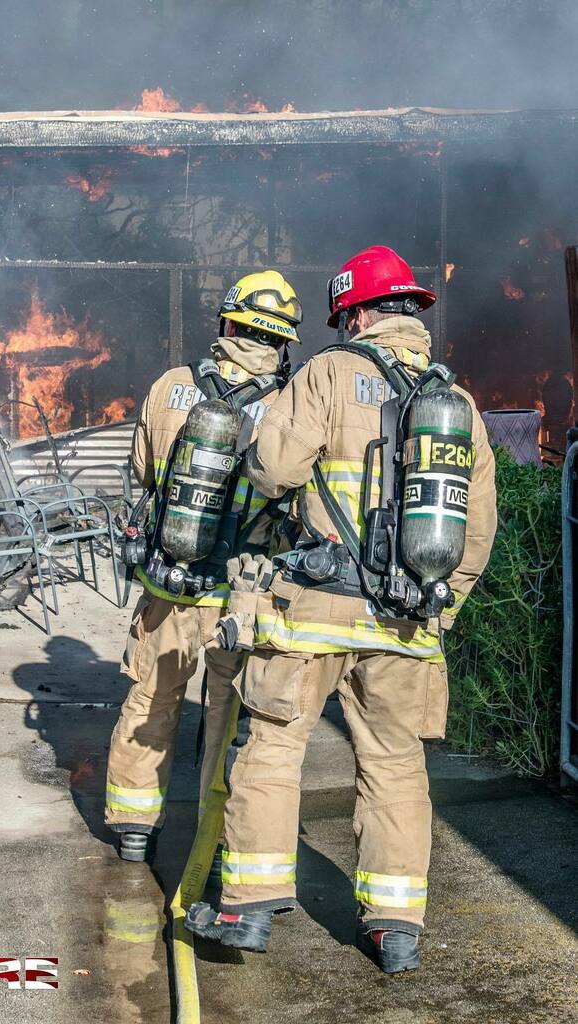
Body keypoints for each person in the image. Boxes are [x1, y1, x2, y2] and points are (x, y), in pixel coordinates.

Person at [185, 246, 497, 973]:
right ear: (410, 312)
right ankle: (394, 930)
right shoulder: (456, 403)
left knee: (271, 749)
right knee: (394, 768)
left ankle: (248, 911)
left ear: (353, 313)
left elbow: (274, 469)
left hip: (311, 613)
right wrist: (438, 615)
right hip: (408, 623)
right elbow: (475, 527)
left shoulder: (327, 372)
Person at [105, 271, 302, 863]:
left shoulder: (171, 386)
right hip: (240, 593)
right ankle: (215, 843)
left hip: (168, 580)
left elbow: (143, 472)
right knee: (230, 717)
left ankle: (134, 829)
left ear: (225, 325)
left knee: (150, 700)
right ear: (282, 341)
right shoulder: (289, 403)